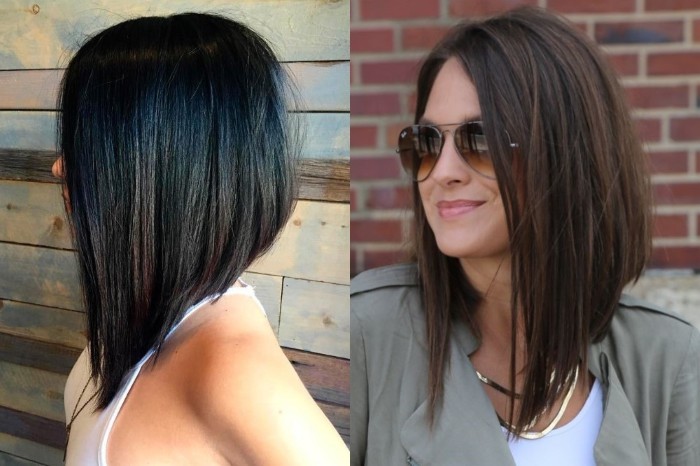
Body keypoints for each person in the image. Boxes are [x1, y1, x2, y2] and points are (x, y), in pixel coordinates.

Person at [350, 6, 699, 466]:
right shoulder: (368, 333)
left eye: (481, 140)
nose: (443, 173)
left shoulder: (665, 356)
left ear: (564, 154)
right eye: (427, 143)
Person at [53, 12, 349, 465]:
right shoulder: (148, 305)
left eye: (86, 147)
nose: (59, 167)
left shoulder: (235, 373)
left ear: (160, 175)